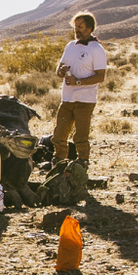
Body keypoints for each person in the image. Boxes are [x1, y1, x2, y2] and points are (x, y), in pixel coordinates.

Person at [52, 12, 108, 166]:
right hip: (67, 98)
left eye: (80, 27)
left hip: (85, 99)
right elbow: (59, 67)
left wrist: (78, 82)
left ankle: (82, 162)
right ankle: (59, 162)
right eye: (75, 27)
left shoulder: (96, 49)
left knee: (81, 136)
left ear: (89, 28)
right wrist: (60, 71)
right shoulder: (70, 46)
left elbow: (100, 76)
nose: (77, 30)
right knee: (59, 134)